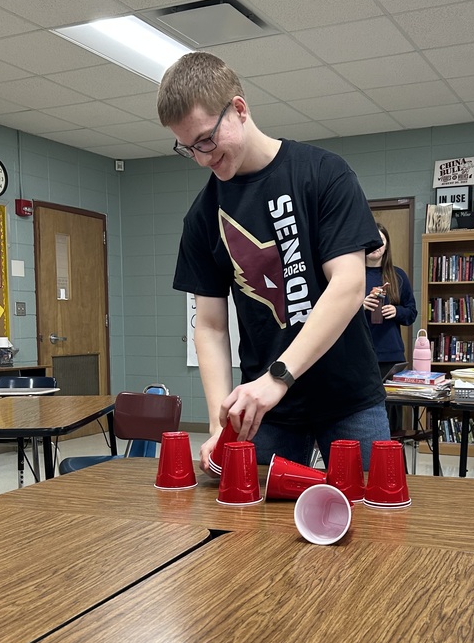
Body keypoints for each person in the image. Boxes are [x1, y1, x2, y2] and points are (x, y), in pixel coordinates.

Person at [157, 51, 390, 472]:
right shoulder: (202, 215)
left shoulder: (323, 173)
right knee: (252, 525)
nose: (203, 159)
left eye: (207, 140)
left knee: (375, 520)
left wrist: (278, 377)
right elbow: (209, 325)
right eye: (187, 148)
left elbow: (349, 284)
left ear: (239, 109)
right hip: (265, 411)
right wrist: (216, 420)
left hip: (347, 396)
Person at [363, 223, 418, 432]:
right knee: (363, 412)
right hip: (359, 355)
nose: (376, 246)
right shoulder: (351, 276)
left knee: (391, 414)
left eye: (380, 242)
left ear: (386, 246)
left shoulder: (398, 276)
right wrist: (360, 306)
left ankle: (391, 461)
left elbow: (411, 314)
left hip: (390, 356)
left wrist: (397, 312)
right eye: (372, 241)